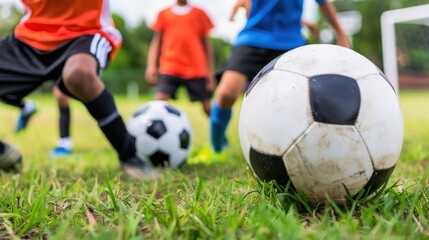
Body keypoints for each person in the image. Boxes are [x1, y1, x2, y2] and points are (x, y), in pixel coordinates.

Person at [0, 0, 161, 180]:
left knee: (79, 74)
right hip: (31, 37)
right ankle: (3, 153)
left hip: (85, 32)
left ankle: (130, 158)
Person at [210, 0, 351, 153]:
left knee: (305, 97)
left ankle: (304, 145)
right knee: (226, 94)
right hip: (254, 37)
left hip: (290, 42)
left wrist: (340, 32)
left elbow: (323, 3)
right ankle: (217, 147)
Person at [145, 0, 216, 117]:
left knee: (208, 108)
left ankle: (219, 135)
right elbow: (156, 42)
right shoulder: (164, 14)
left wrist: (210, 71)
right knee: (158, 104)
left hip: (196, 69)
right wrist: (151, 66)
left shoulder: (200, 13)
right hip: (170, 66)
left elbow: (207, 45)